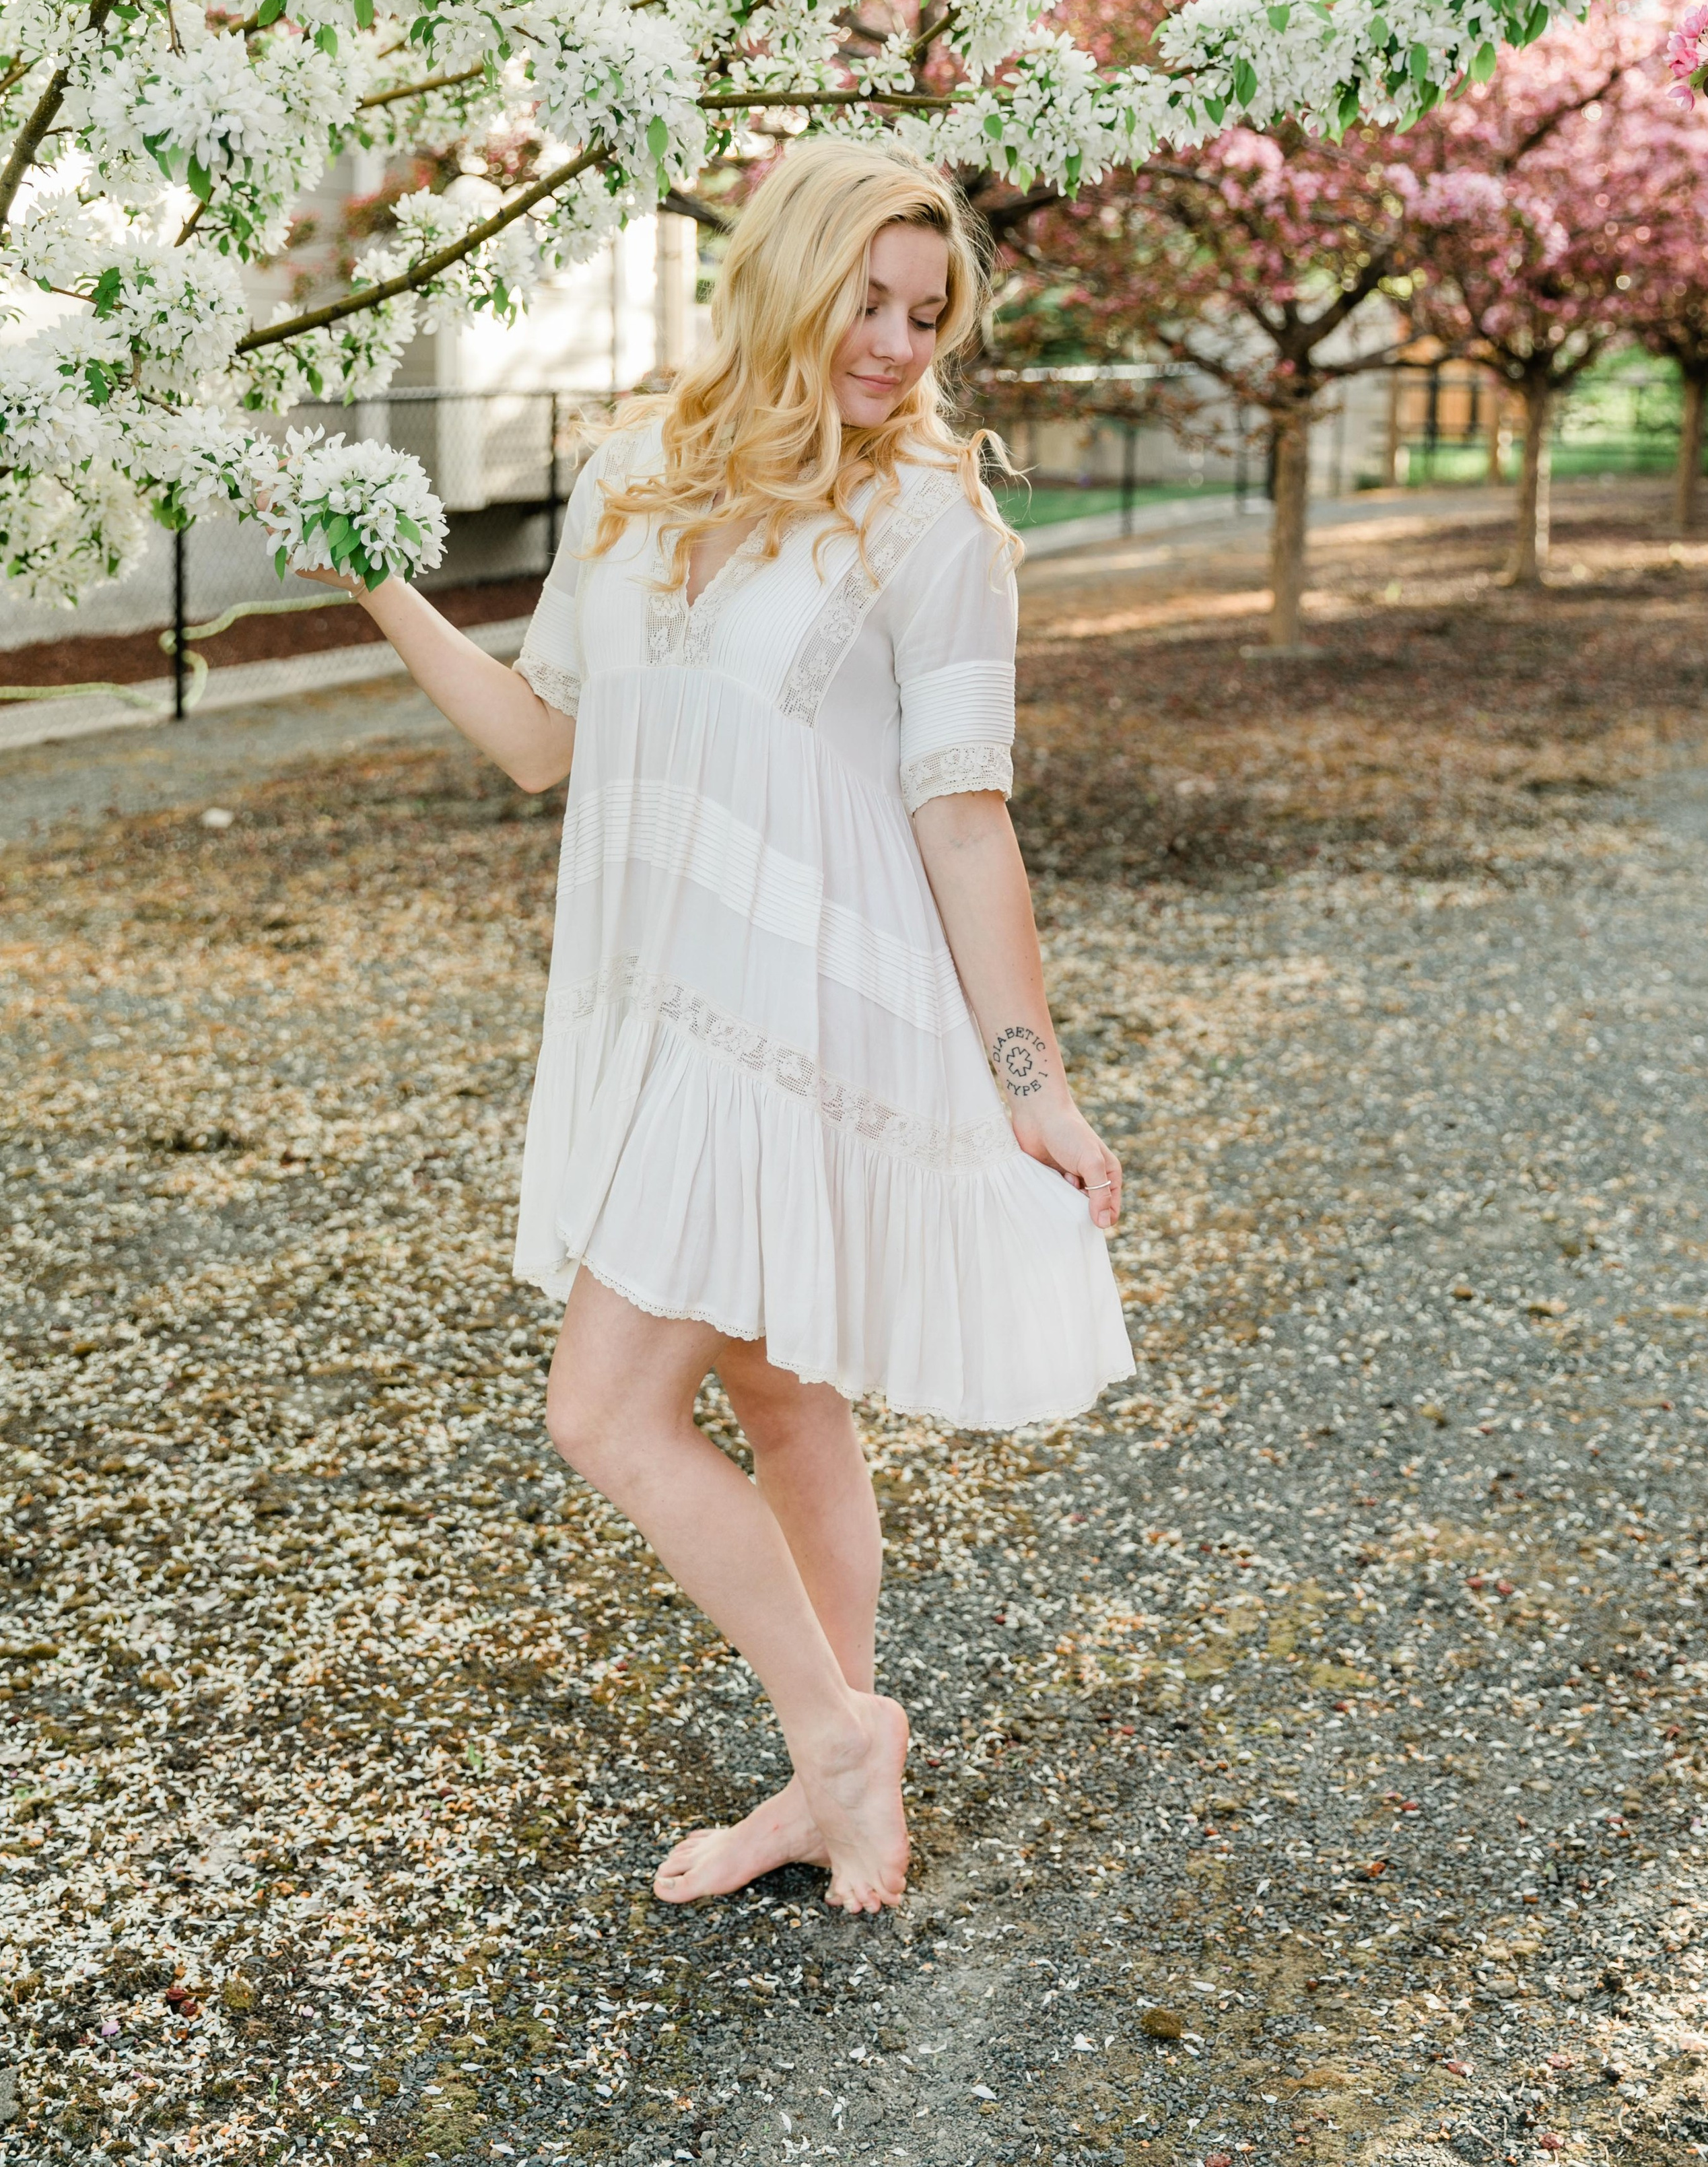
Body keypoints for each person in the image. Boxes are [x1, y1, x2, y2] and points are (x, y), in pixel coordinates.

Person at [315, 141, 1134, 1914]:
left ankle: (838, 1738)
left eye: (932, 315)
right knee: (779, 1393)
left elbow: (962, 813)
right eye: (875, 298)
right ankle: (830, 1772)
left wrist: (1034, 1089)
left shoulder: (935, 528)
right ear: (784, 276)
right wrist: (378, 579)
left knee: (603, 1414)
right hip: (663, 1016)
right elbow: (541, 738)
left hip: (803, 1032)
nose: (902, 343)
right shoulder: (625, 480)